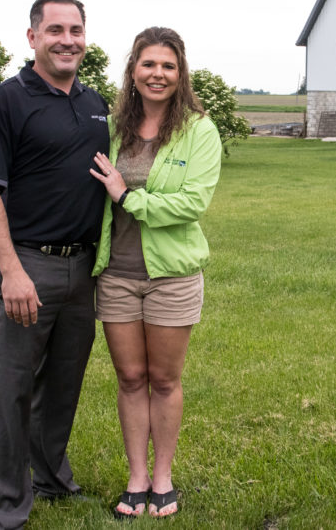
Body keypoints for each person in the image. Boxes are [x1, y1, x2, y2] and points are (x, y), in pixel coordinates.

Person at [0, 0, 109, 530]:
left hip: (83, 268)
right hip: (28, 264)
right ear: (32, 37)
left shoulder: (94, 103)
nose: (66, 39)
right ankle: (4, 511)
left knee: (63, 384)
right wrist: (11, 270)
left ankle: (52, 479)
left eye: (75, 29)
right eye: (55, 30)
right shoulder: (3, 102)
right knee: (11, 388)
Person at [88, 26, 222, 519]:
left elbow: (191, 203)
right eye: (148, 64)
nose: (157, 74)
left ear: (180, 72)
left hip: (172, 276)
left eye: (168, 66)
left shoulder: (199, 130)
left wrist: (127, 196)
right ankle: (137, 477)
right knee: (129, 377)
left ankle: (163, 476)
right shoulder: (113, 127)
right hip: (117, 274)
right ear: (133, 70)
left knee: (164, 380)